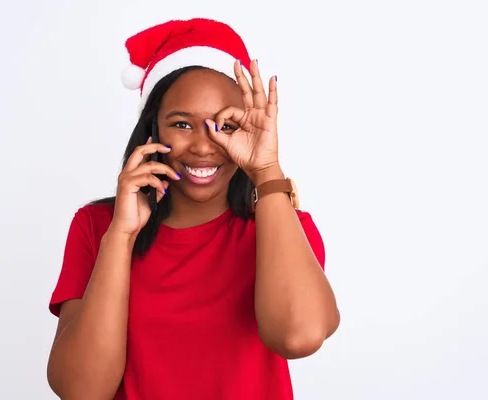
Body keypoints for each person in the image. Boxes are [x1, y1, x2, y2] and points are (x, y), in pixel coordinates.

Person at [46, 17, 340, 400]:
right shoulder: (98, 225)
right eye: (182, 125)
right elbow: (80, 391)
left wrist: (267, 173)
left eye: (225, 126)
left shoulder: (282, 224)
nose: (204, 147)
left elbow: (298, 336)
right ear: (152, 130)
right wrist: (121, 236)